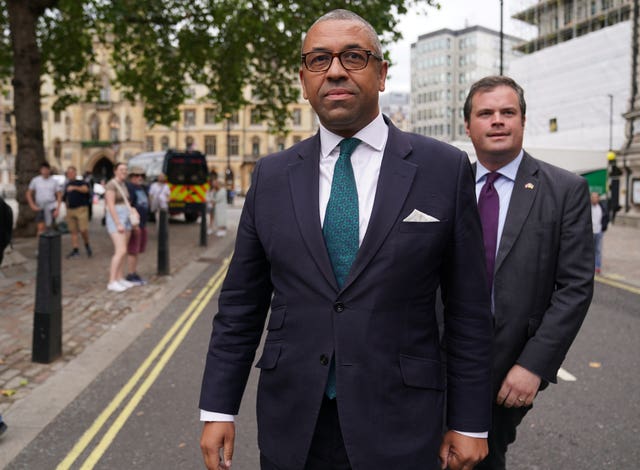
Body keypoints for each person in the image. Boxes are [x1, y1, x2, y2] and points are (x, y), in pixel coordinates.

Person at [199, 10, 493, 470]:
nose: (335, 70)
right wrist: (218, 408)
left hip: (402, 422)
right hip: (294, 424)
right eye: (319, 59)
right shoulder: (272, 176)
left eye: (353, 56)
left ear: (381, 73)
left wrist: (470, 422)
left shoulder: (445, 168)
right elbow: (240, 306)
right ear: (303, 79)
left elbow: (470, 310)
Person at [463, 75, 594, 470]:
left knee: (482, 459)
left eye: (508, 112)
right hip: (436, 360)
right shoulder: (443, 184)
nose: (498, 120)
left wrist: (534, 365)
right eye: (485, 113)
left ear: (522, 121)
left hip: (509, 367)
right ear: (468, 126)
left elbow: (574, 287)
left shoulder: (565, 189)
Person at [104, 162, 136, 292]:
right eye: (121, 169)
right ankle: (112, 281)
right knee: (120, 250)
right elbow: (110, 205)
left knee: (124, 250)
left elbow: (126, 201)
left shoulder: (123, 184)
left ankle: (120, 278)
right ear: (115, 171)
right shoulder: (111, 185)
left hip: (126, 216)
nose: (124, 172)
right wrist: (118, 223)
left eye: (126, 170)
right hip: (116, 217)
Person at [125, 167, 150, 285]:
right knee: (132, 250)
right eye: (136, 175)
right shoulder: (130, 188)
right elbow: (128, 207)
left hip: (143, 223)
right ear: (131, 177)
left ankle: (134, 272)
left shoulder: (142, 188)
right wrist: (134, 225)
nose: (139, 178)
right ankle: (130, 274)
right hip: (135, 225)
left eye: (141, 176)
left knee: (137, 250)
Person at [63, 166, 93, 259]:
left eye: (72, 172)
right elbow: (65, 197)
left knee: (83, 230)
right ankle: (75, 250)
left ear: (75, 173)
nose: (70, 174)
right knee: (73, 231)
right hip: (70, 210)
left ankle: (87, 245)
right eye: (68, 173)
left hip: (81, 209)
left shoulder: (81, 182)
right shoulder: (66, 184)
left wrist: (75, 187)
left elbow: (86, 190)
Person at [26, 162, 62, 236]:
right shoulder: (35, 180)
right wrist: (32, 205)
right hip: (40, 207)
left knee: (50, 228)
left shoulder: (54, 181)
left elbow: (59, 195)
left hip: (51, 206)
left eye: (47, 169)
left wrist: (57, 208)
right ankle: (42, 246)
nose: (45, 171)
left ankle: (50, 246)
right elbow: (28, 193)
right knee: (40, 228)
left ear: (49, 170)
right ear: (40, 170)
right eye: (43, 169)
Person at [591, 191, 609, 274]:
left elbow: (606, 217)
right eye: (593, 197)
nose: (594, 199)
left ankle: (597, 267)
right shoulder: (587, 208)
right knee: (589, 250)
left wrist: (603, 228)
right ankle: (590, 267)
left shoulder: (602, 207)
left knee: (598, 250)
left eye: (596, 197)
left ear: (598, 198)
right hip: (589, 233)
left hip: (599, 232)